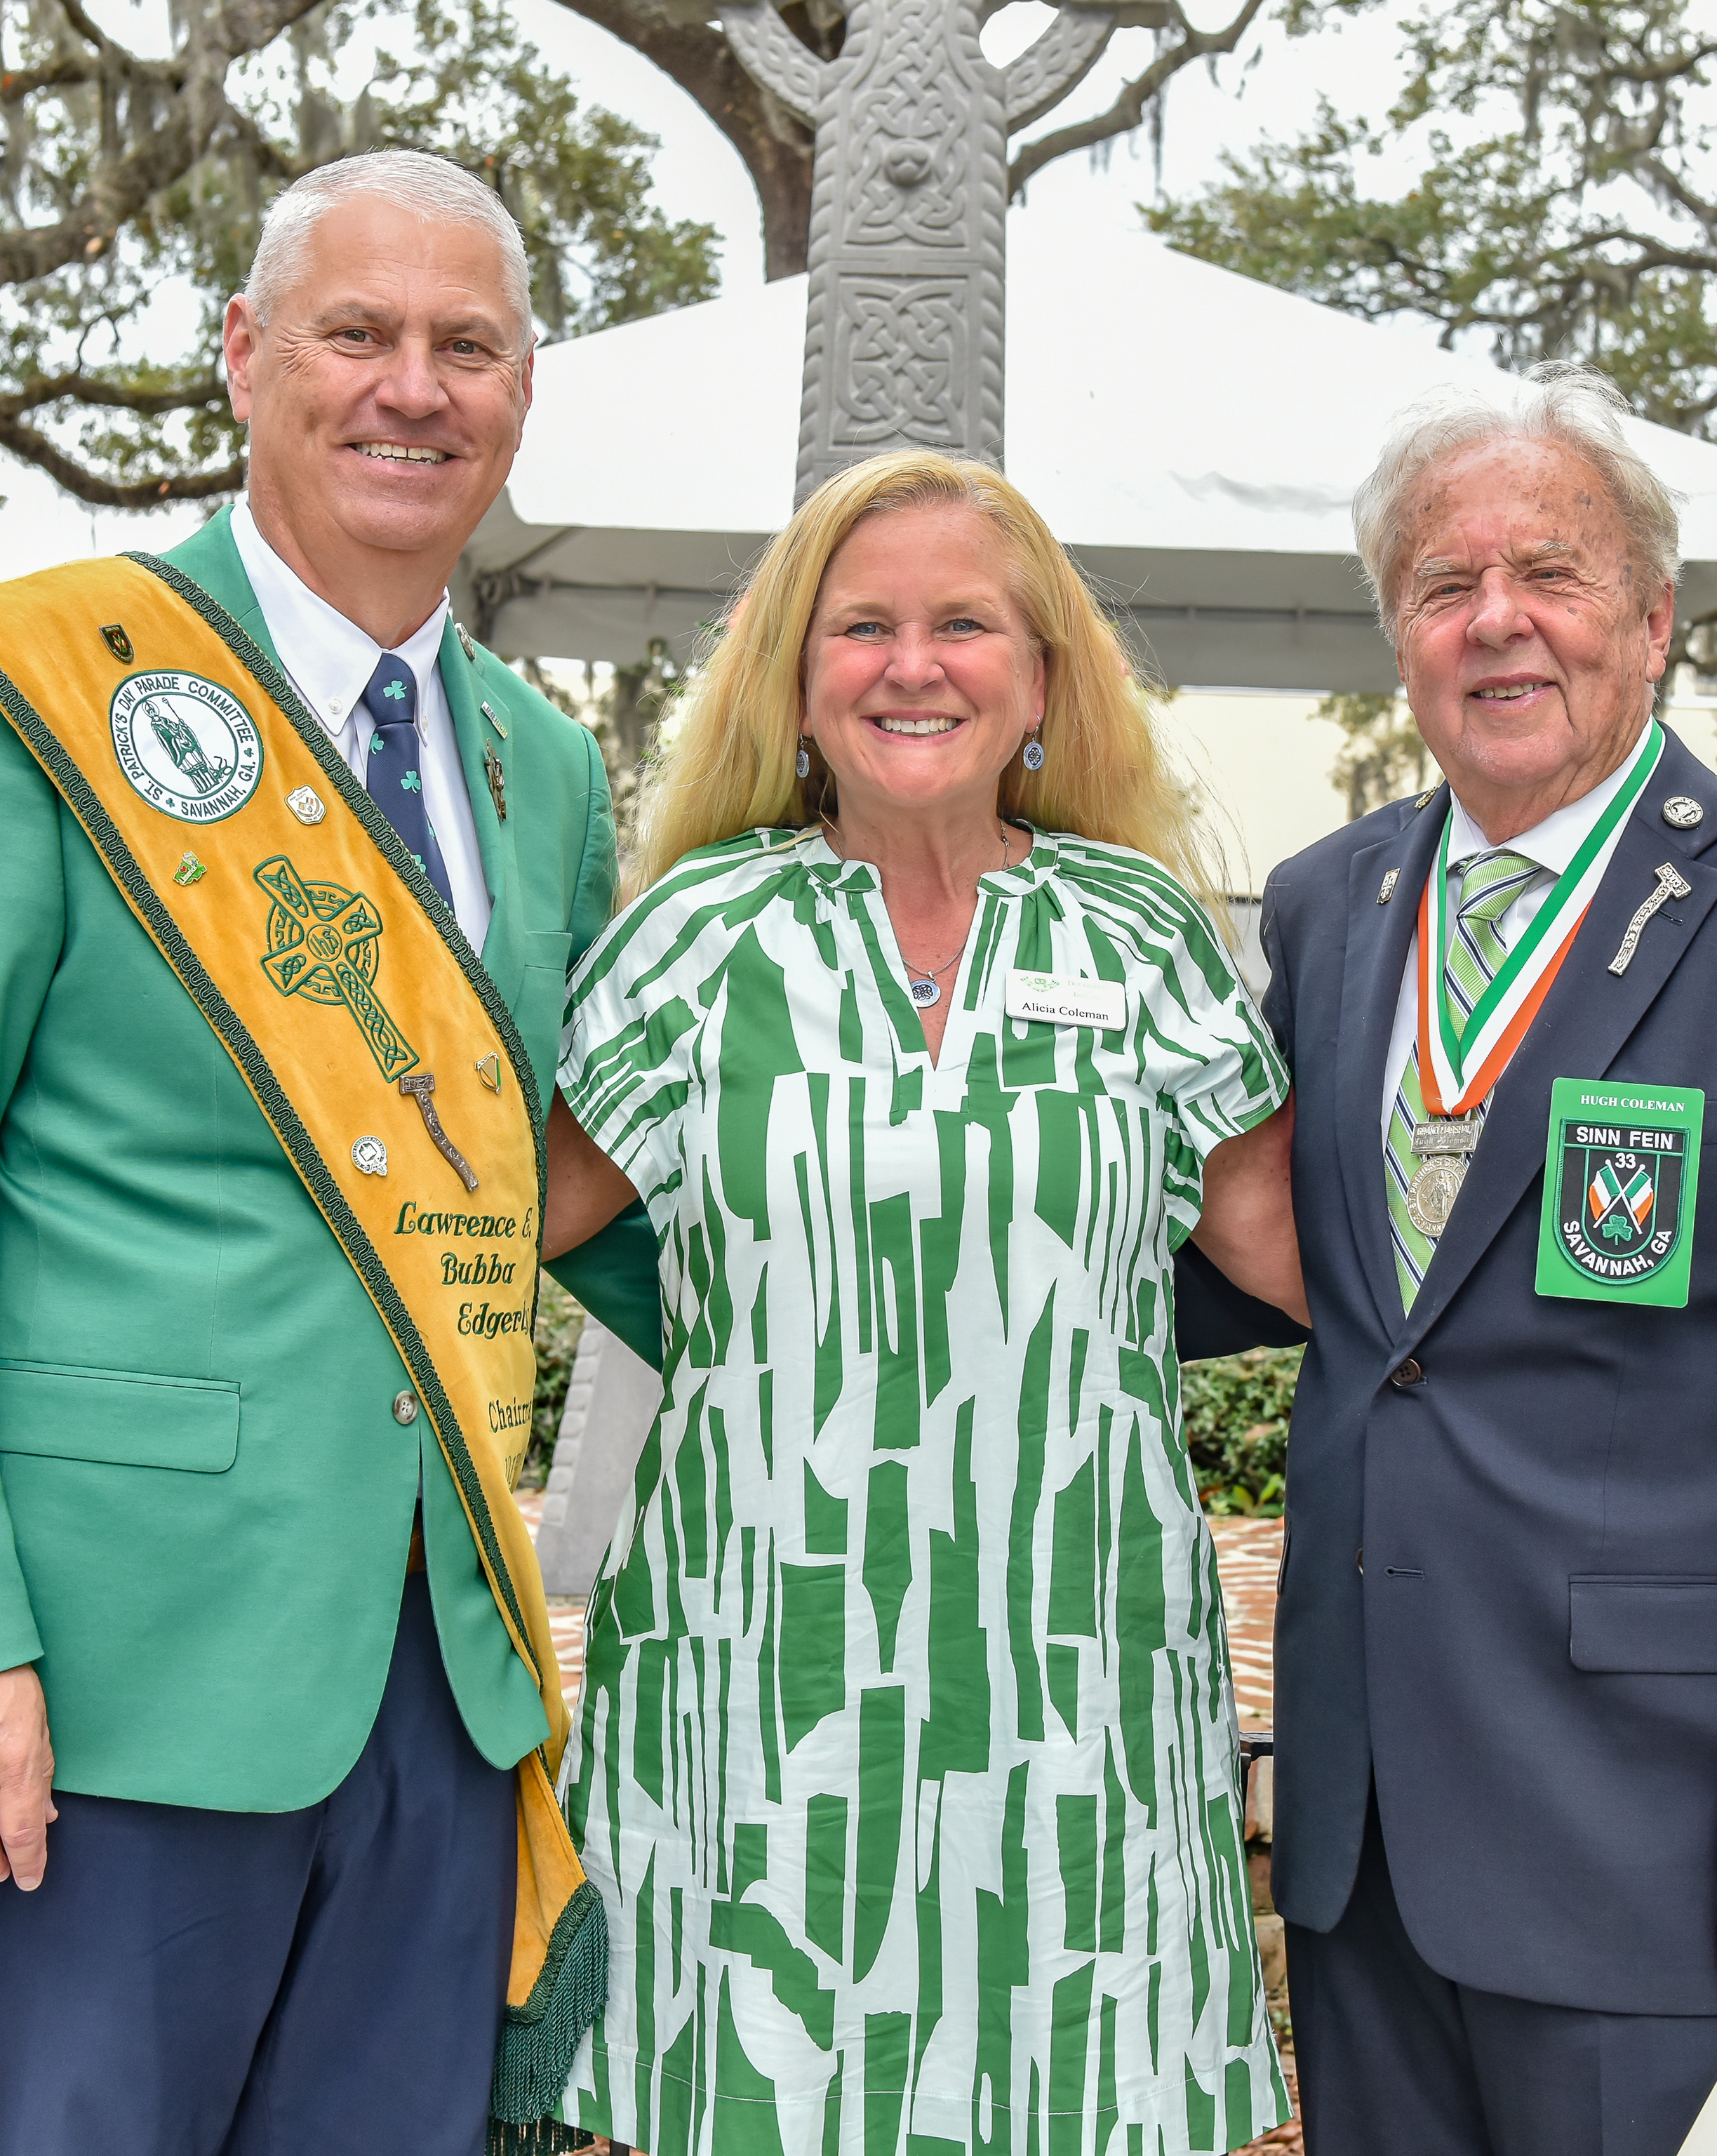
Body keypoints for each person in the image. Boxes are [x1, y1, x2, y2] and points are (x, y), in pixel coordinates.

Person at [0, 150, 653, 2153]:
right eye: (359, 333)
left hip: (441, 1683)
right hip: (113, 1682)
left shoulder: (537, 765)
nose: (413, 387)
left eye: (467, 346)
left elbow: (566, 1175)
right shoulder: (31, 689)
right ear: (249, 357)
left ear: (521, 394)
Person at [1173, 363, 1717, 2155]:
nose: (1497, 621)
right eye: (1443, 584)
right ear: (1398, 634)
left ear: (1651, 618)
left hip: (1657, 1848)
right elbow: (1297, 1273)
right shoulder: (1327, 906)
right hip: (1365, 1840)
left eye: (1547, 573)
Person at [536, 451, 1306, 2155]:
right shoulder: (694, 939)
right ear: (794, 678)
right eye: (862, 625)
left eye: (964, 623)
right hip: (755, 1683)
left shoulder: (1140, 938)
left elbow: (1320, 1267)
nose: (912, 664)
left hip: (1076, 1696)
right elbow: (493, 1226)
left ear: (1039, 679)